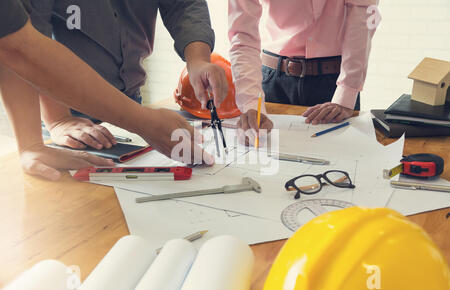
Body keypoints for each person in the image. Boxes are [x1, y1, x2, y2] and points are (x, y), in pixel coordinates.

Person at [0, 0, 220, 180]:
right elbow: (20, 43)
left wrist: (198, 59)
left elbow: (184, 4)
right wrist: (56, 120)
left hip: (133, 108)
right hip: (63, 118)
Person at [228, 0, 380, 142]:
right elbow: (242, 36)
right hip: (272, 81)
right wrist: (251, 104)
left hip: (334, 84)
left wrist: (346, 93)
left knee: (341, 163)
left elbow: (364, 15)